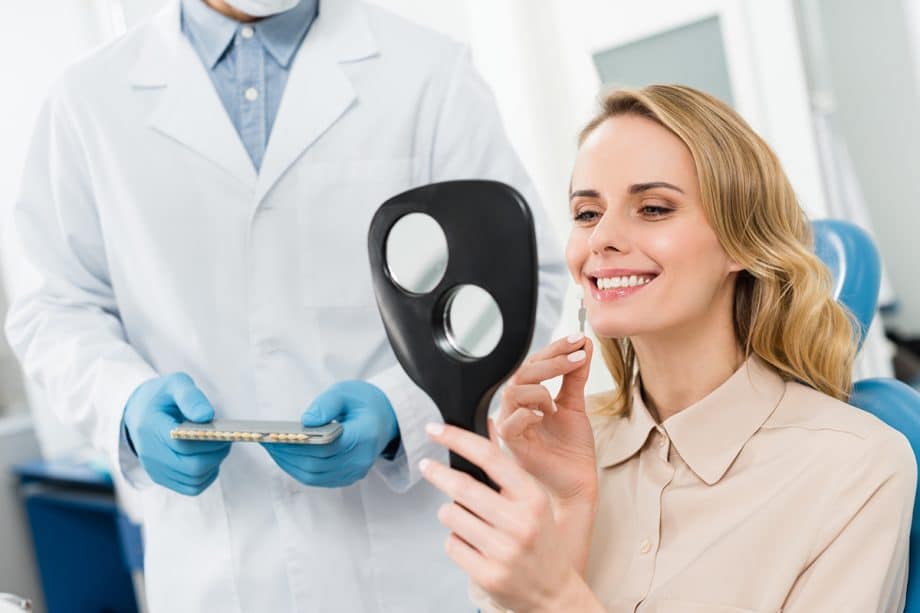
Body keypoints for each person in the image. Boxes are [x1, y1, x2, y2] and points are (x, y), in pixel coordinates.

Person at [4, 0, 566, 611]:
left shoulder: (428, 70)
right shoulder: (88, 98)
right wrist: (124, 404)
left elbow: (521, 282)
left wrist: (404, 406)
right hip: (214, 564)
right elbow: (53, 306)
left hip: (408, 561)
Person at [419, 85, 917, 612]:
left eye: (653, 208)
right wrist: (567, 509)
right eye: (587, 213)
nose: (601, 238)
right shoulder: (552, 451)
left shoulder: (854, 465)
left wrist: (555, 599)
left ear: (741, 243)